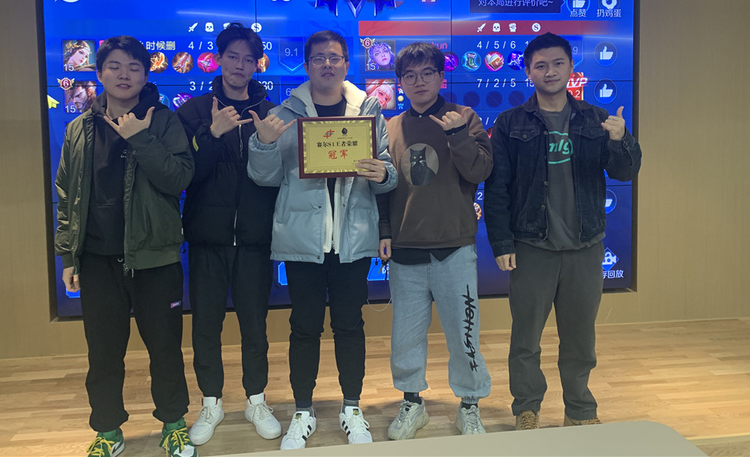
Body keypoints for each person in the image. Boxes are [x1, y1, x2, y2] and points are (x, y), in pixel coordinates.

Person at [247, 30, 397, 450]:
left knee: (350, 326)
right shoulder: (285, 113)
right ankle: (303, 411)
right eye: (318, 58)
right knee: (304, 328)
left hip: (352, 240)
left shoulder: (369, 111)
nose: (327, 65)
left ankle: (352, 407)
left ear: (346, 63)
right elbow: (264, 177)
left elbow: (388, 173)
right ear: (307, 64)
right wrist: (263, 143)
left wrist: (383, 173)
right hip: (303, 241)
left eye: (334, 57)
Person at [483, 32, 641, 431]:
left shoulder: (595, 118)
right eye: (540, 65)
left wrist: (621, 140)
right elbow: (497, 188)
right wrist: (501, 242)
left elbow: (625, 171)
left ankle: (580, 409)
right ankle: (527, 407)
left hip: (584, 246)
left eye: (557, 63)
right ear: (528, 72)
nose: (549, 71)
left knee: (580, 339)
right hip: (531, 245)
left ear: (571, 67)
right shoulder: (510, 122)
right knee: (525, 339)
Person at [54, 36, 197, 457]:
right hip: (97, 260)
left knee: (165, 349)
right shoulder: (79, 128)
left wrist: (140, 138)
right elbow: (66, 195)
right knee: (103, 353)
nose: (124, 74)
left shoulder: (164, 122)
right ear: (99, 73)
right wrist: (68, 255)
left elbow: (178, 179)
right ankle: (108, 430)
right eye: (114, 66)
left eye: (134, 66)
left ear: (146, 74)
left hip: (155, 257)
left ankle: (173, 425)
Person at [377, 42, 493, 440]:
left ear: (441, 77)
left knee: (464, 334)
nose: (419, 82)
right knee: (405, 338)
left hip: (454, 247)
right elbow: (384, 186)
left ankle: (470, 405)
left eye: (427, 73)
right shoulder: (390, 127)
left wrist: (458, 134)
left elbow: (480, 171)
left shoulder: (464, 117)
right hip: (405, 250)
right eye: (409, 75)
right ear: (400, 83)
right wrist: (384, 231)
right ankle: (412, 402)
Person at [175, 23, 281, 445]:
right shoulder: (194, 111)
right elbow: (185, 176)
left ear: (257, 64)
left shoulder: (271, 113)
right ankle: (211, 402)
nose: (240, 65)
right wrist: (212, 134)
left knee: (255, 325)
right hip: (207, 238)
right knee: (206, 325)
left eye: (248, 59)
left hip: (255, 239)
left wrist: (268, 143)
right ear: (218, 59)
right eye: (232, 56)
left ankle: (256, 399)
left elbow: (279, 178)